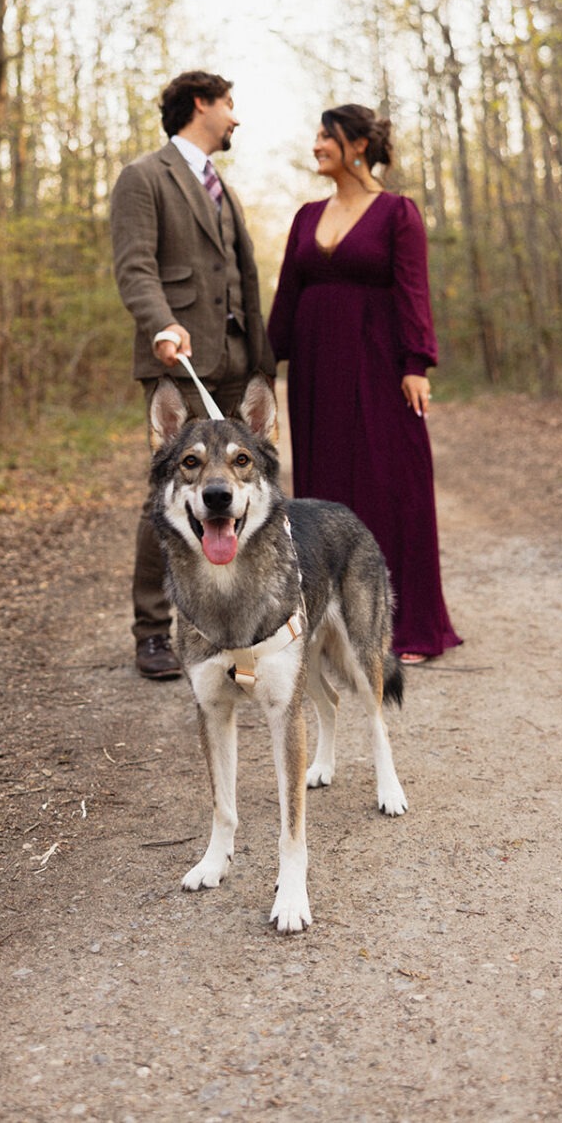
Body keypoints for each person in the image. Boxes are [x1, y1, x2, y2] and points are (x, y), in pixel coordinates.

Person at [267, 104, 461, 664]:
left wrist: (415, 363)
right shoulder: (306, 216)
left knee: (393, 487)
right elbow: (287, 300)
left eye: (325, 136)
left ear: (356, 146)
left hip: (379, 369)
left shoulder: (398, 213)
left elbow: (412, 292)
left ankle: (409, 627)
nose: (316, 144)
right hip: (316, 377)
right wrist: (263, 362)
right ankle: (333, 626)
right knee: (323, 495)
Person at [110, 70, 276, 678]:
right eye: (230, 103)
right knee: (169, 498)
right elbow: (134, 267)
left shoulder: (223, 190)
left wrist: (264, 357)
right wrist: (160, 324)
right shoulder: (143, 177)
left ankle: (231, 625)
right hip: (178, 363)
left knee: (238, 495)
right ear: (201, 104)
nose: (236, 116)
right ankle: (154, 631)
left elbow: (241, 279)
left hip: (238, 362)